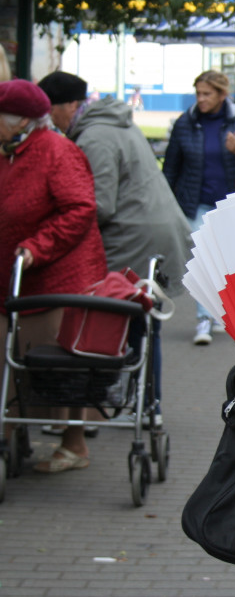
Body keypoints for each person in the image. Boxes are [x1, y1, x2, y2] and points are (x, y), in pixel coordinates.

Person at [38, 71, 193, 428]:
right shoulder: (114, 125)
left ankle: (97, 411)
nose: (51, 121)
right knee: (142, 324)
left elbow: (98, 205)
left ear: (70, 106)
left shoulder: (94, 137)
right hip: (152, 232)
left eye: (51, 112)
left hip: (133, 237)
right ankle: (145, 407)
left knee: (115, 321)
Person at [0, 79, 107, 472]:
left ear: (19, 121)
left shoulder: (57, 151)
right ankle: (7, 436)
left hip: (58, 277)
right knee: (7, 361)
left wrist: (36, 246)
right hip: (13, 278)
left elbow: (79, 208)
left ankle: (74, 444)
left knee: (59, 365)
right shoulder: (8, 149)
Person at [163, 70, 235, 345]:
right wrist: (168, 201)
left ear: (222, 95)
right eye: (198, 93)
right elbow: (171, 166)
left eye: (207, 94)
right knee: (204, 263)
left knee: (229, 264)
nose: (201, 99)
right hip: (196, 204)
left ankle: (223, 314)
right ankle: (203, 320)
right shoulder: (187, 122)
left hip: (231, 204)